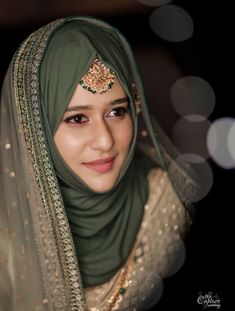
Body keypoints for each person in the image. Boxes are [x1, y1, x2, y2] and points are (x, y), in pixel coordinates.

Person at [0, 16, 199, 311]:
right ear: (35, 127)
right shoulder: (7, 234)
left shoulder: (175, 208)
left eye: (117, 111)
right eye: (77, 118)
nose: (105, 141)